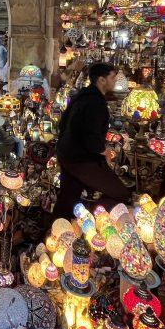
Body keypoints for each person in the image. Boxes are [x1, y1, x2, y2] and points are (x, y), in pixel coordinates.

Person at [53, 62, 130, 216]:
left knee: (68, 198)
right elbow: (91, 136)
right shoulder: (96, 103)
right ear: (101, 80)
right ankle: (97, 219)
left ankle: (56, 229)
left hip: (67, 154)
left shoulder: (81, 96)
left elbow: (63, 123)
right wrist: (105, 151)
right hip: (81, 160)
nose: (115, 80)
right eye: (112, 77)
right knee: (120, 193)